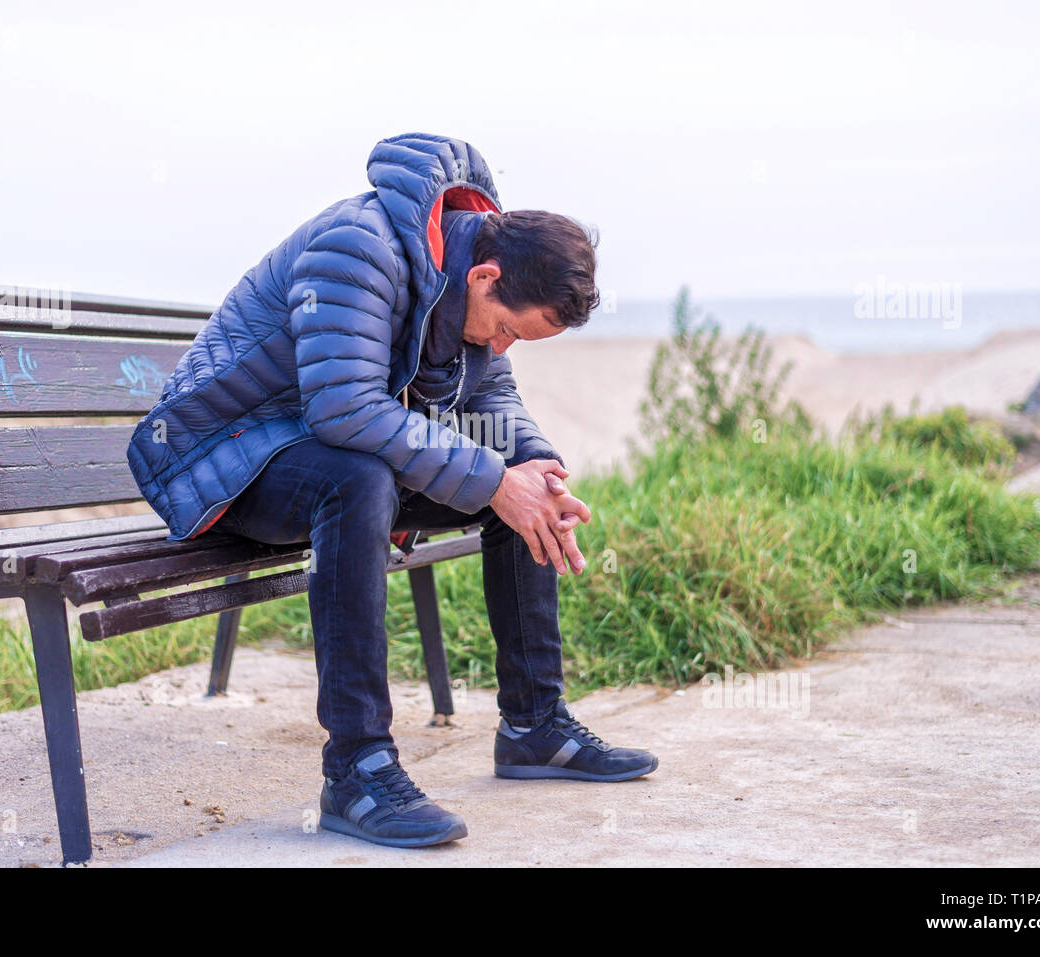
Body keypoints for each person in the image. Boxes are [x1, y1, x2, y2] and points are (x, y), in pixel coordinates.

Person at [127, 132, 657, 849]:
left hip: (320, 455)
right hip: (221, 458)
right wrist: (496, 479)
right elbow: (342, 408)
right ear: (486, 277)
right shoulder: (359, 247)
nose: (501, 347)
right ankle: (357, 769)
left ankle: (535, 724)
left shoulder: (463, 275)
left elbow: (491, 398)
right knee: (362, 476)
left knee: (516, 492)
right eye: (506, 329)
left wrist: (536, 470)